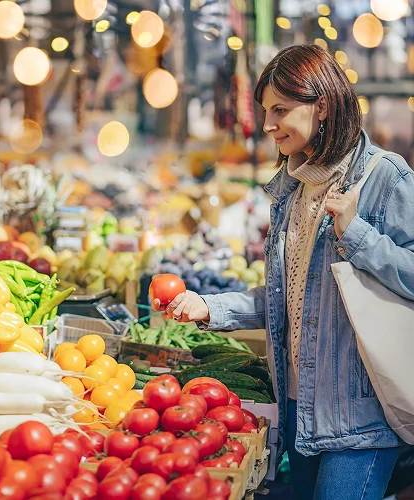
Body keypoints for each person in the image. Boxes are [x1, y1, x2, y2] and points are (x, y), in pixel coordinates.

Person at [154, 44, 414, 500]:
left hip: (361, 415)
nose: (268, 124)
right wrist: (207, 306)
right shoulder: (293, 190)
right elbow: (287, 298)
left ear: (324, 106)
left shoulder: (385, 177)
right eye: (265, 110)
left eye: (281, 110)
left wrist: (358, 237)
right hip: (299, 407)